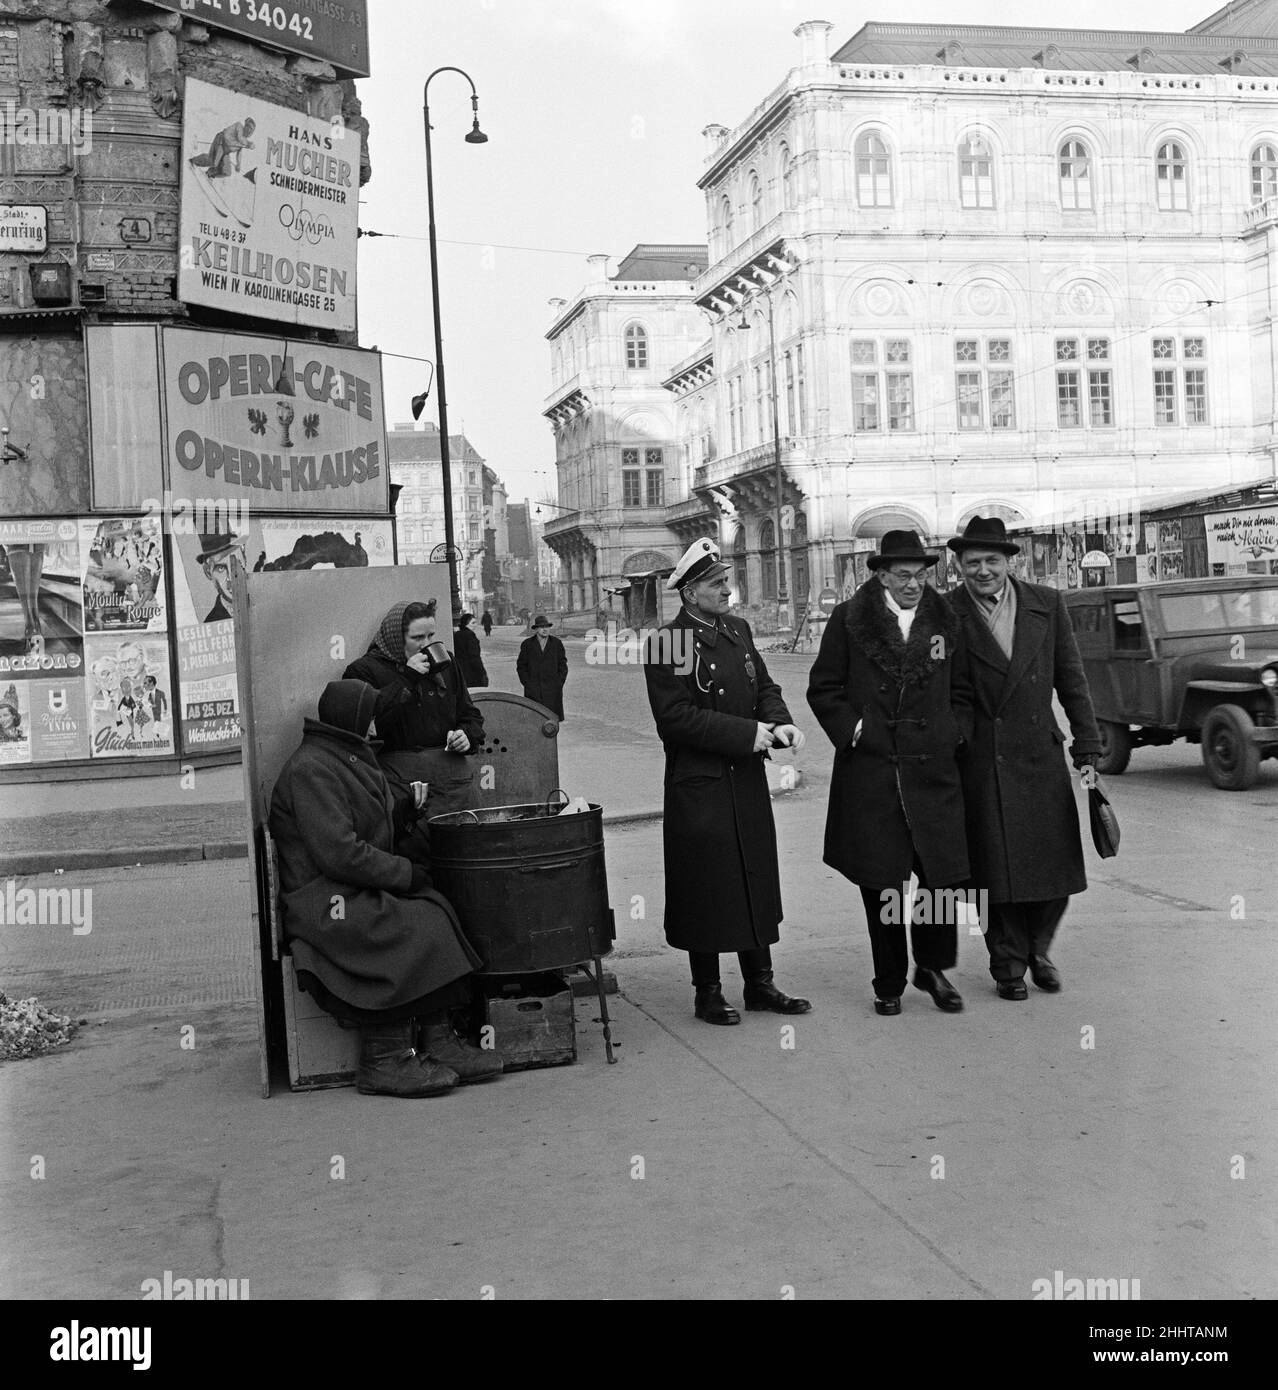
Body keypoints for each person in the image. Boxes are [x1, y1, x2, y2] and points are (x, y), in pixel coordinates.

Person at [270, 680, 504, 1097]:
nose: (379, 722)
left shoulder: (344, 756)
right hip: (323, 900)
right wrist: (404, 873)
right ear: (354, 718)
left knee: (436, 909)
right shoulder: (312, 769)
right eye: (372, 714)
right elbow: (339, 854)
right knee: (410, 923)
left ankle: (438, 1041)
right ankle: (383, 1060)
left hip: (344, 887)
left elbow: (362, 834)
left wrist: (403, 814)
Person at [642, 537, 810, 1025]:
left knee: (752, 875)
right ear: (690, 592)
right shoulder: (668, 643)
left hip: (745, 779)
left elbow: (766, 688)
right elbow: (674, 719)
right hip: (701, 784)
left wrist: (778, 722)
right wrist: (747, 734)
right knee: (708, 885)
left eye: (727, 583)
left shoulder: (737, 631)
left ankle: (760, 983)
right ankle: (708, 991)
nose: (728, 593)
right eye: (718, 585)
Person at [807, 531, 973, 1016]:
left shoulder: (945, 621)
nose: (914, 584)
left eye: (922, 574)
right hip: (874, 772)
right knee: (882, 883)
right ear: (880, 576)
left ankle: (933, 968)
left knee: (939, 879)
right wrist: (856, 731)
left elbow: (961, 690)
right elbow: (824, 688)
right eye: (903, 575)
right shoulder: (850, 619)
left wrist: (953, 731)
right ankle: (889, 980)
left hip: (932, 769)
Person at [944, 517, 1102, 999]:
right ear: (959, 566)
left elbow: (1071, 678)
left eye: (992, 561)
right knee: (993, 871)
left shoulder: (1046, 604)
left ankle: (1039, 949)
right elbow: (939, 690)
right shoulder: (946, 613)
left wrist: (1088, 745)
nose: (983, 571)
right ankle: (1008, 964)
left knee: (1054, 867)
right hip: (980, 758)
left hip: (1039, 753)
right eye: (972, 563)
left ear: (1011, 562)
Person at [343, 600, 484, 835]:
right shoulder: (364, 671)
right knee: (417, 855)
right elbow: (367, 729)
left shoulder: (446, 663)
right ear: (397, 638)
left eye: (431, 636)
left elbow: (470, 714)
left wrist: (467, 735)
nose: (426, 645)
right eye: (417, 638)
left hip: (454, 783)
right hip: (403, 785)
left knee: (466, 851)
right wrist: (407, 678)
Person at [517, 615, 568, 719]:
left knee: (551, 722)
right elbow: (521, 666)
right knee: (534, 720)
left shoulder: (556, 643)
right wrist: (528, 683)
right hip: (533, 690)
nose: (545, 629)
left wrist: (559, 683)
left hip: (552, 691)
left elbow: (563, 665)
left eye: (547, 627)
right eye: (541, 627)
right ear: (536, 629)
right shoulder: (527, 644)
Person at [197, 532, 245, 623]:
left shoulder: (266, 605)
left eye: (236, 563)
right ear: (208, 573)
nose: (231, 580)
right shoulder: (211, 624)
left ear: (244, 560)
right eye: (221, 569)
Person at [191, 115, 255, 179]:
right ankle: (194, 161)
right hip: (220, 142)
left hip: (226, 151)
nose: (250, 131)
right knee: (213, 161)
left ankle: (210, 173)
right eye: (249, 127)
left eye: (252, 130)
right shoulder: (239, 126)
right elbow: (239, 138)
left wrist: (238, 164)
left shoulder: (244, 140)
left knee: (227, 172)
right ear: (245, 126)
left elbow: (239, 152)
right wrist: (248, 144)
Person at [453, 612, 489, 688]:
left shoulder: (457, 634)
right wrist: (482, 673)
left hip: (460, 670)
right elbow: (475, 657)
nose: (475, 625)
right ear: (466, 624)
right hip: (471, 672)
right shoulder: (470, 636)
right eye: (473, 623)